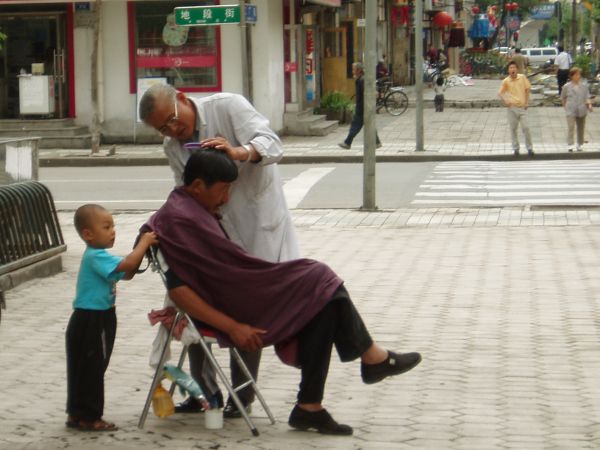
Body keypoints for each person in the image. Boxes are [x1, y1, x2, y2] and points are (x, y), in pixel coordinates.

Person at [142, 149, 422, 436]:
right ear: (198, 186)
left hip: (238, 292)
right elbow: (179, 292)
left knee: (324, 300)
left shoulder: (185, 209)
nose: (226, 199)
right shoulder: (178, 219)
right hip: (235, 304)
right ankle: (370, 359)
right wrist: (232, 326)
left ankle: (310, 406)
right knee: (320, 278)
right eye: (223, 190)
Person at [139, 83, 299, 418]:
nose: (171, 131)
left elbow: (272, 144)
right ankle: (206, 393)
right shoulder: (173, 145)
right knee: (200, 302)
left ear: (182, 98)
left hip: (256, 223)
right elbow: (184, 191)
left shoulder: (228, 107)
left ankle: (241, 396)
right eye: (162, 129)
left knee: (247, 307)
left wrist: (241, 152)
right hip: (213, 232)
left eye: (172, 120)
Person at [66, 204, 158, 431]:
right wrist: (144, 243)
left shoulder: (100, 257)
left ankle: (77, 413)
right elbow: (126, 265)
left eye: (113, 226)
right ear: (88, 234)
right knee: (93, 368)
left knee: (82, 367)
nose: (113, 231)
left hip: (86, 319)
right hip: (93, 320)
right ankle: (90, 416)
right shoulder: (96, 256)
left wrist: (140, 253)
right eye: (106, 227)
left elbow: (126, 274)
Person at [338, 62, 382, 150]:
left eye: (354, 69)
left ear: (358, 70)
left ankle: (347, 142)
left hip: (362, 108)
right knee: (370, 125)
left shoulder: (362, 80)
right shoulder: (361, 79)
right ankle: (377, 143)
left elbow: (368, 91)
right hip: (365, 107)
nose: (352, 71)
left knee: (355, 125)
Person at [498, 60, 534, 157]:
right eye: (510, 68)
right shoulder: (506, 81)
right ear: (508, 70)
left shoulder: (522, 78)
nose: (512, 69)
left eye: (514, 67)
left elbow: (527, 89)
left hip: (522, 107)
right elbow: (500, 93)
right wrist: (506, 101)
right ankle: (516, 148)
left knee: (526, 128)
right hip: (512, 108)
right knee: (513, 129)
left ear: (517, 69)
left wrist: (527, 102)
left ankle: (529, 148)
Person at [560, 67, 593, 152]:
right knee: (571, 127)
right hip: (571, 109)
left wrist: (589, 105)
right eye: (576, 74)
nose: (578, 76)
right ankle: (570, 144)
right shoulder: (566, 86)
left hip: (582, 109)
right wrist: (566, 107)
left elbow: (587, 97)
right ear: (572, 76)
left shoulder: (584, 86)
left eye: (579, 74)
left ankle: (579, 144)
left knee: (581, 127)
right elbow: (563, 98)